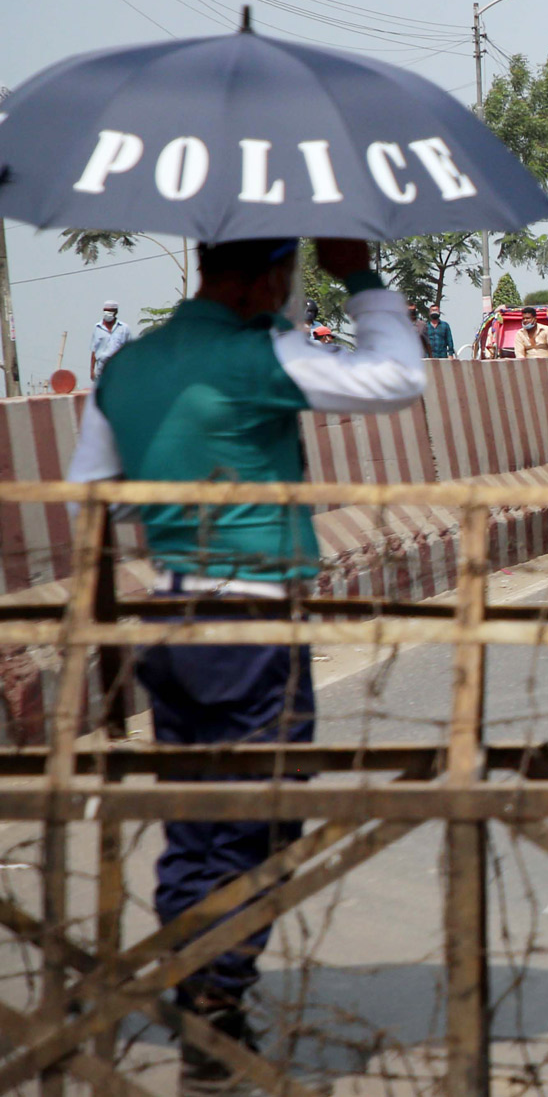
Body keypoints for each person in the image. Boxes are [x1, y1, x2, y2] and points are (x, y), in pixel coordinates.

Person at [64, 236, 425, 1085]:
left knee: (194, 813)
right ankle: (217, 996)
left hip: (165, 611)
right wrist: (362, 277)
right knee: (261, 814)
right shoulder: (260, 353)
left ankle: (198, 984)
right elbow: (398, 377)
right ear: (269, 277)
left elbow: (89, 491)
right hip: (251, 615)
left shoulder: (130, 365)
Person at [89, 300, 131, 382]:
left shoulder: (124, 328)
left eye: (110, 311)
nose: (108, 313)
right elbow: (94, 350)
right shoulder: (97, 328)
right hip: (102, 368)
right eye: (106, 310)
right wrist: (92, 370)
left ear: (116, 312)